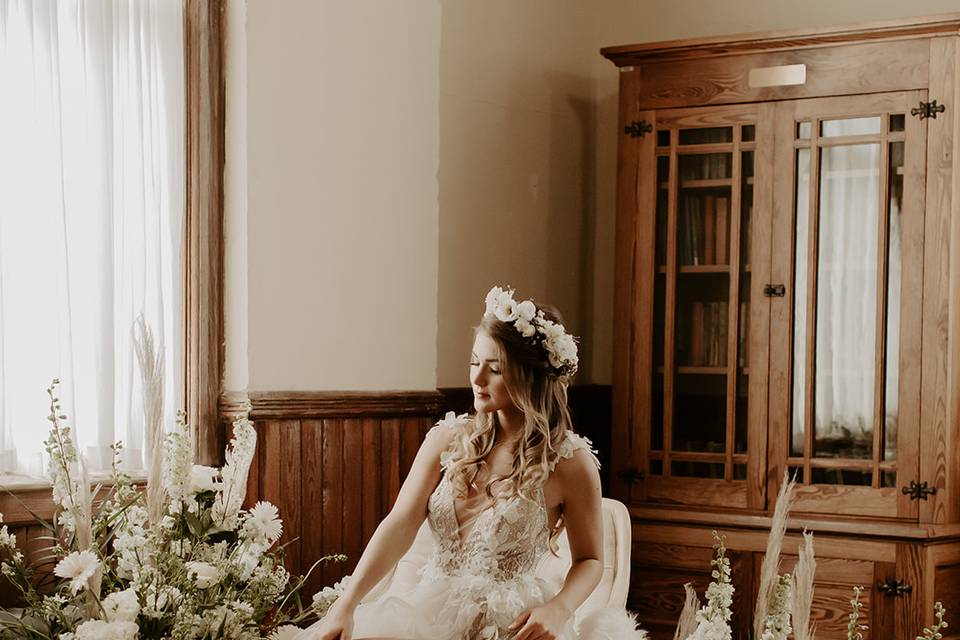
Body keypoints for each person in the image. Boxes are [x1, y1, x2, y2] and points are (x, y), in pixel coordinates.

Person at [297, 286, 645, 640]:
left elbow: (590, 560)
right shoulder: (446, 438)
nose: (477, 379)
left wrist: (559, 608)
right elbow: (400, 523)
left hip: (511, 624)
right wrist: (348, 602)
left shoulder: (570, 462)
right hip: (426, 614)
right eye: (474, 363)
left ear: (531, 376)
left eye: (494, 369)